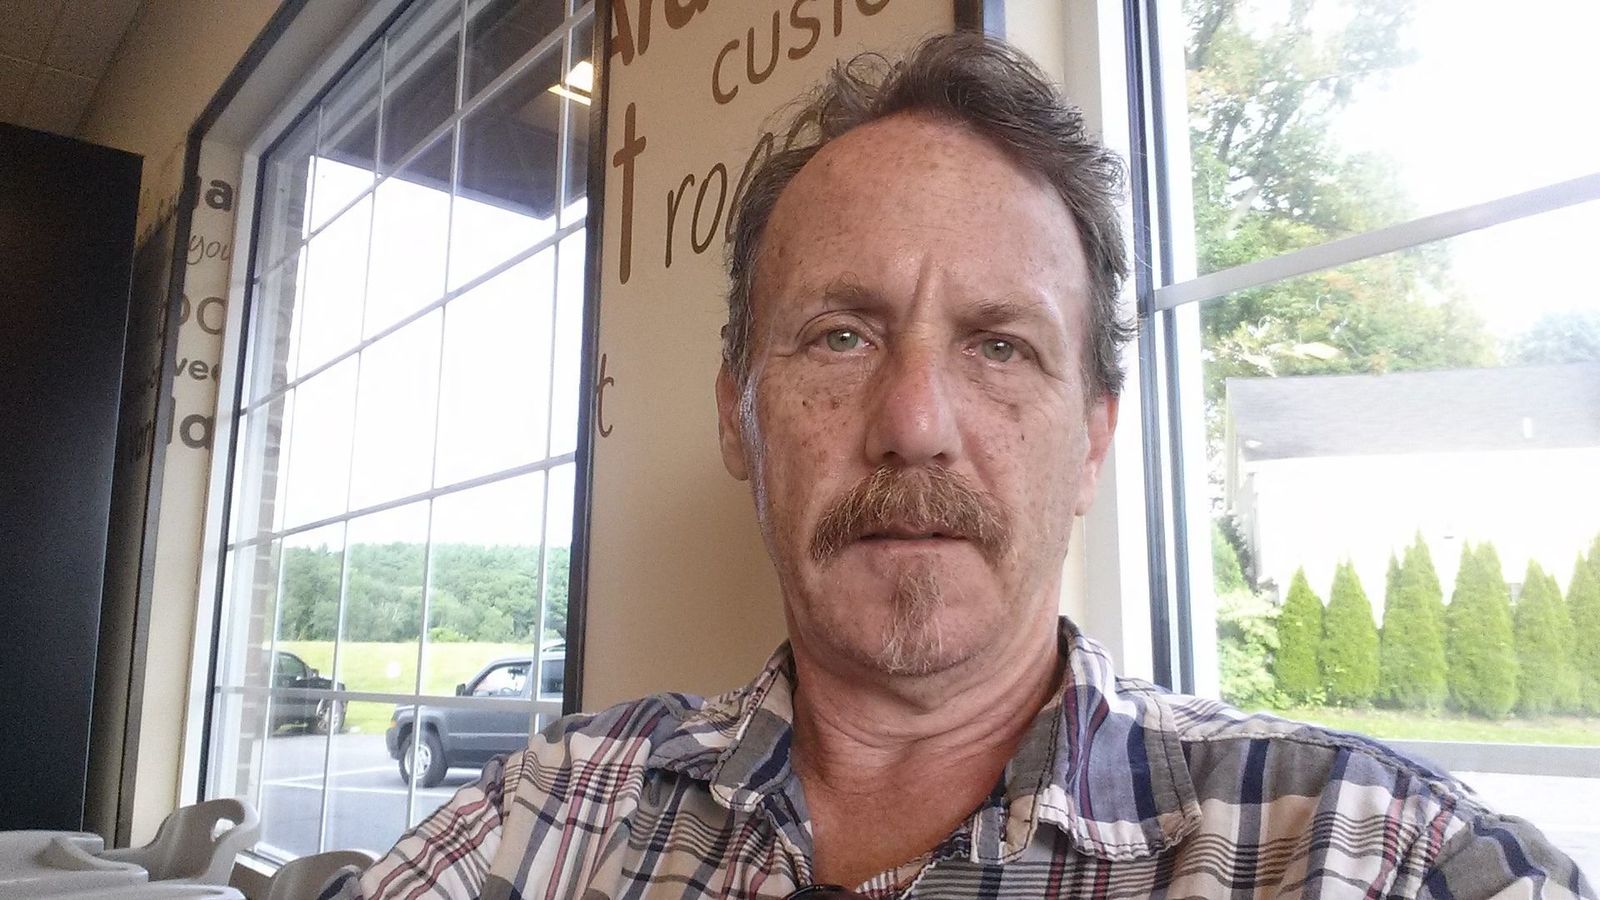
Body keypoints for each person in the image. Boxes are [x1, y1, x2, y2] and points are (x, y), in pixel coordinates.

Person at [327, 32, 1591, 900]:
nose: (915, 419)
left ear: (1091, 439)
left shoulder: (1366, 850)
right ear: (738, 421)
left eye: (999, 346)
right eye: (840, 335)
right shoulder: (544, 818)